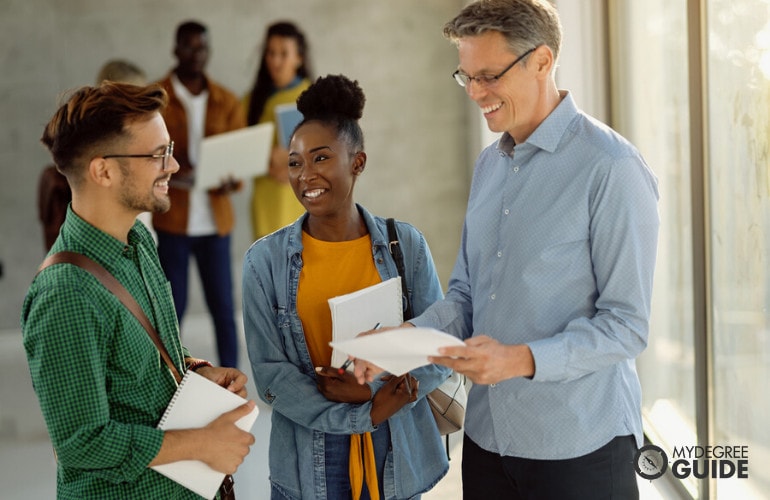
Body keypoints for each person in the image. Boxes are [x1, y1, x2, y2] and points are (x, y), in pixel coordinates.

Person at [356, 1, 660, 499]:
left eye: (489, 76)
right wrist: (399, 345)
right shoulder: (489, 167)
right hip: (488, 441)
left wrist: (519, 360)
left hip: (579, 448)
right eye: (467, 76)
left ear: (542, 61)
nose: (476, 93)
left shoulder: (612, 168)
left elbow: (626, 325)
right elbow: (466, 298)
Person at [22, 81, 255, 499]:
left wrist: (196, 370)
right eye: (157, 154)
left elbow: (143, 351)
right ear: (103, 170)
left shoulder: (139, 241)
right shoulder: (65, 294)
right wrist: (202, 443)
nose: (175, 165)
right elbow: (82, 442)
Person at [242, 74, 450, 499]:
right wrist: (362, 413)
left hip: (396, 454)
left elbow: (440, 348)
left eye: (320, 158)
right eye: (295, 162)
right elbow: (271, 376)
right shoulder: (264, 262)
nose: (305, 175)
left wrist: (371, 391)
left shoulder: (403, 245)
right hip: (305, 461)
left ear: (357, 162)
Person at [153, 20, 245, 368]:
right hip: (173, 221)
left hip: (215, 223)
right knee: (171, 311)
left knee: (224, 308)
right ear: (176, 49)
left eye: (202, 47)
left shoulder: (226, 99)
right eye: (189, 47)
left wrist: (229, 179)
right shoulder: (157, 96)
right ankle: (171, 381)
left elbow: (240, 162)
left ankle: (232, 382)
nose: (196, 54)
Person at [37, 58, 148, 252]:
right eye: (138, 94)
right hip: (113, 244)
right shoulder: (102, 138)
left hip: (133, 241)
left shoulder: (122, 132)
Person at [244, 21, 312, 240]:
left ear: (299, 58)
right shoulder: (252, 100)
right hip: (265, 202)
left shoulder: (315, 98)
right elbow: (237, 146)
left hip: (300, 205)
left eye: (283, 54)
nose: (275, 60)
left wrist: (293, 161)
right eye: (271, 53)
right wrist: (266, 158)